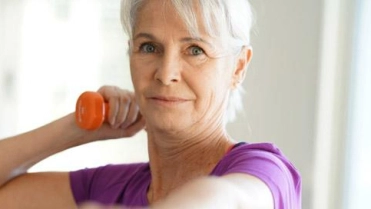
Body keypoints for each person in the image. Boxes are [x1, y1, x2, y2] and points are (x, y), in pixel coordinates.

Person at [0, 0, 301, 208]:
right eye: (149, 47)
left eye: (195, 50)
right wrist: (78, 127)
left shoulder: (263, 170)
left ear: (238, 67)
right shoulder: (110, 188)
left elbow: (224, 199)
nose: (166, 73)